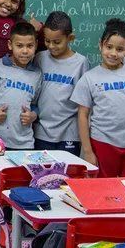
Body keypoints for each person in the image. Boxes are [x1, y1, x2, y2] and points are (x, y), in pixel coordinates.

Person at [72, 18, 125, 184]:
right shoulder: (89, 78)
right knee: (103, 191)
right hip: (102, 143)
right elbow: (82, 115)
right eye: (108, 47)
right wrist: (88, 151)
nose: (113, 53)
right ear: (100, 45)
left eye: (119, 49)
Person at [34, 12, 90, 155]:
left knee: (67, 175)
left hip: (69, 134)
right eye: (47, 41)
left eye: (57, 42)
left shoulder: (81, 63)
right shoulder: (40, 58)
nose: (51, 46)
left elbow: (84, 103)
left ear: (70, 38)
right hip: (41, 132)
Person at [0, 22, 42, 150]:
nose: (25, 51)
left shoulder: (37, 74)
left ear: (36, 45)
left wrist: (33, 115)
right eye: (19, 46)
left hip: (25, 143)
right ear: (10, 45)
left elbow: (35, 104)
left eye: (30, 46)